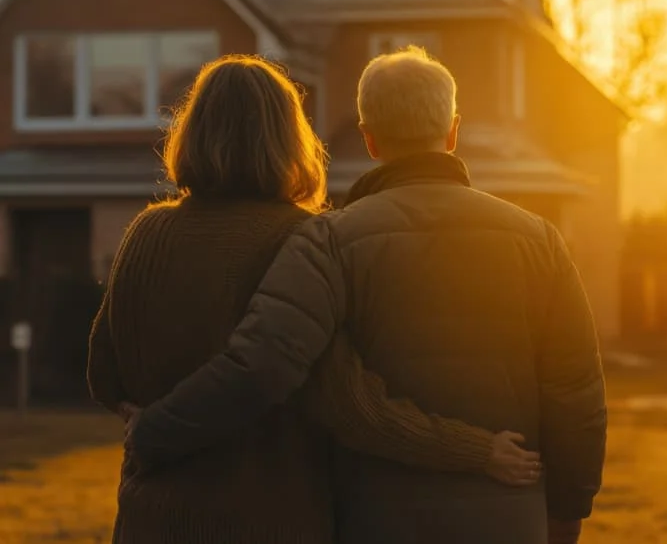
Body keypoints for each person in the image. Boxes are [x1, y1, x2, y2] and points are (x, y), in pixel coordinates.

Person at [124, 47, 608, 544]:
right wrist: (566, 511)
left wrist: (154, 431)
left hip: (378, 517)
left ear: (369, 138)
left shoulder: (331, 241)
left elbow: (269, 361)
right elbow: (577, 393)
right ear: (453, 130)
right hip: (510, 515)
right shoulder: (538, 241)